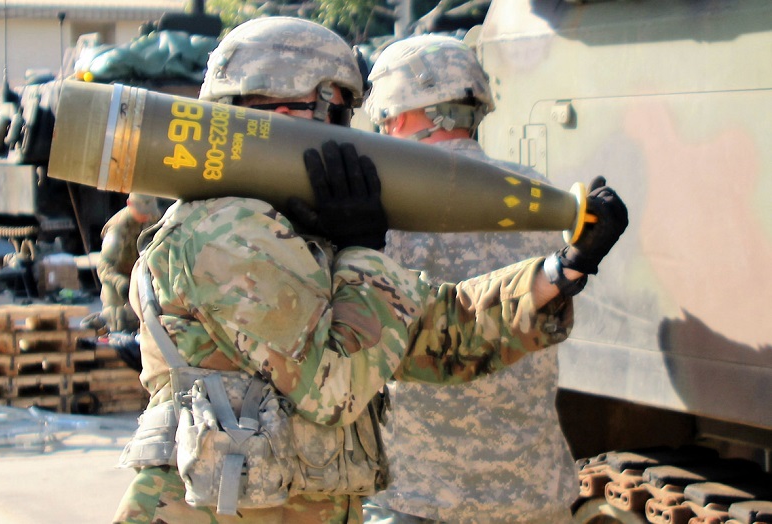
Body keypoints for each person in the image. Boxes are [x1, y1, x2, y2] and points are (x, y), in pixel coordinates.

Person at [112, 17, 628, 524]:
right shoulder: (223, 234)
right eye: (338, 113)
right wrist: (362, 251)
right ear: (287, 112)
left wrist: (562, 271)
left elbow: (430, 330)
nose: (349, 136)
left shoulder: (285, 229)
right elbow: (334, 388)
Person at [361, 35, 580, 523]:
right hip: (534, 494)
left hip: (420, 498)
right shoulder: (535, 192)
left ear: (393, 115)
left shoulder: (382, 207)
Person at [96, 193, 160, 334]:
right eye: (142, 212)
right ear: (129, 205)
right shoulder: (117, 229)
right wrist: (120, 283)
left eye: (149, 212)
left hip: (141, 276)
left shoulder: (153, 218)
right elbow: (104, 267)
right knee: (117, 319)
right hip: (118, 282)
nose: (147, 216)